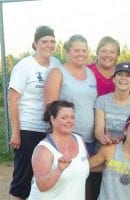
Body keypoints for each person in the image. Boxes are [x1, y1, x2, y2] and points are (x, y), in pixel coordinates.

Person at [8, 25, 61, 200]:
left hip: (50, 130)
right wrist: (16, 132)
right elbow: (12, 99)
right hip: (28, 128)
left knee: (48, 178)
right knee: (23, 181)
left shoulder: (56, 64)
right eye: (44, 41)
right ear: (35, 44)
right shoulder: (24, 66)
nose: (49, 45)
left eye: (52, 41)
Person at [43, 34, 97, 199]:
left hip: (88, 138)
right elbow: (50, 109)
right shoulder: (57, 73)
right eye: (76, 50)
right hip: (67, 139)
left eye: (84, 50)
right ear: (67, 51)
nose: (81, 54)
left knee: (86, 181)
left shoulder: (90, 73)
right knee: (64, 181)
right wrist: (61, 137)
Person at [28, 100, 89, 200]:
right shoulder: (43, 149)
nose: (70, 121)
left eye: (72, 117)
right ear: (52, 119)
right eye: (64, 118)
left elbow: (85, 165)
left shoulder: (79, 140)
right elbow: (42, 186)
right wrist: (59, 170)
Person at [94, 62, 130, 145]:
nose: (123, 78)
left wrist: (122, 141)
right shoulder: (102, 101)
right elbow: (98, 130)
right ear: (114, 79)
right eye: (120, 74)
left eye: (128, 76)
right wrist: (103, 138)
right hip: (104, 149)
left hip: (125, 149)